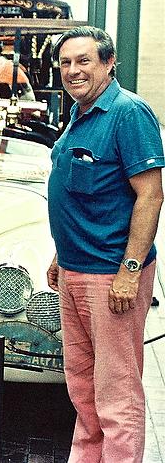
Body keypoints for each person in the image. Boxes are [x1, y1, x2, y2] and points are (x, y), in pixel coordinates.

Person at [46, 25, 164, 463]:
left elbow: (150, 195)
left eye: (84, 61)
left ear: (109, 63)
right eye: (65, 63)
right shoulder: (80, 112)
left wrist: (129, 273)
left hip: (110, 276)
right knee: (82, 384)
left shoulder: (128, 113)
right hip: (75, 271)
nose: (73, 71)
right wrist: (61, 254)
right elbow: (78, 193)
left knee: (116, 391)